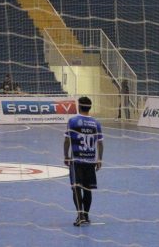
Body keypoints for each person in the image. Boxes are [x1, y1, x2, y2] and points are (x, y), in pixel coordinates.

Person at [63, 96, 104, 226]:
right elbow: (100, 143)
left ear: (79, 106)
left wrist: (66, 156)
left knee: (76, 188)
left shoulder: (73, 121)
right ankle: (86, 216)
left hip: (77, 161)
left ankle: (80, 215)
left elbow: (67, 140)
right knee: (87, 189)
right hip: (90, 161)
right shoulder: (96, 123)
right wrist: (99, 159)